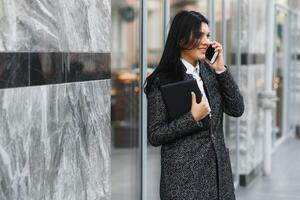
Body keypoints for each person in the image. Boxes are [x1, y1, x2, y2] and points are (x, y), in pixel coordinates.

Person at [144, 11, 244, 200]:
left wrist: (221, 70)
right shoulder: (162, 81)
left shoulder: (211, 71)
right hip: (184, 184)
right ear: (181, 39)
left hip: (218, 177)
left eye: (208, 35)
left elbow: (237, 109)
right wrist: (191, 118)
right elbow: (155, 135)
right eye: (199, 35)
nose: (206, 41)